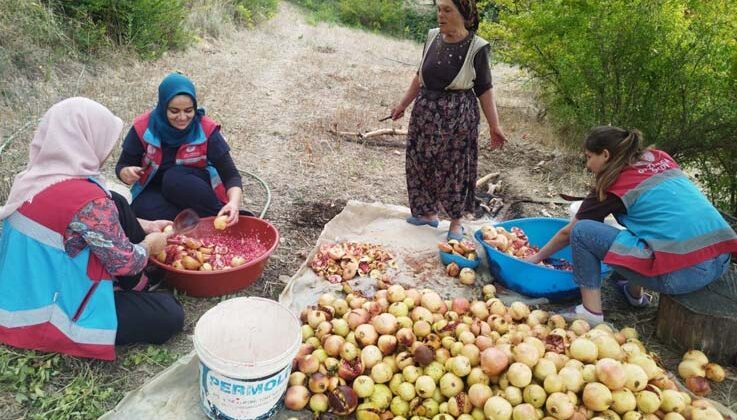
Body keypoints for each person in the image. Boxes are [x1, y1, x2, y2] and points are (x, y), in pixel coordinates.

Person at [0, 97, 184, 360]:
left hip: (23, 291)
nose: (109, 149)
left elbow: (88, 225)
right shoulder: (88, 202)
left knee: (117, 200)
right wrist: (150, 244)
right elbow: (127, 263)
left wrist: (147, 224)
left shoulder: (37, 177)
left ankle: (135, 286)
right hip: (50, 312)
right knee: (170, 313)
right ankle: (134, 288)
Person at [526, 126, 737, 324]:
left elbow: (568, 233)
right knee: (643, 226)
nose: (587, 165)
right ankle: (634, 294)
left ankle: (590, 312)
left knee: (582, 231)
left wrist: (535, 258)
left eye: (589, 157)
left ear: (606, 155)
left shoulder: (612, 184)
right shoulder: (660, 158)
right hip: (720, 259)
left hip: (683, 275)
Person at [390, 0, 507, 241]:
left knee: (456, 169)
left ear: (463, 13)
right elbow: (419, 75)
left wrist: (495, 126)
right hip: (425, 113)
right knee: (419, 162)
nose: (440, 15)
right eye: (439, 9)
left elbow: (485, 89)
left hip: (457, 118)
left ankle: (456, 222)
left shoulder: (477, 47)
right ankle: (426, 214)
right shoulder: (433, 36)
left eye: (447, 10)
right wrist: (403, 104)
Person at [116, 73, 243, 226]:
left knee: (173, 178)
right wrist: (125, 173)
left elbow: (231, 175)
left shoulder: (206, 129)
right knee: (138, 211)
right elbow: (122, 166)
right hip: (157, 189)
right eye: (174, 111)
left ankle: (219, 215)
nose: (182, 117)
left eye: (189, 110)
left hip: (195, 189)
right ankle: (193, 224)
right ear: (163, 107)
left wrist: (234, 204)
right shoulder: (143, 128)